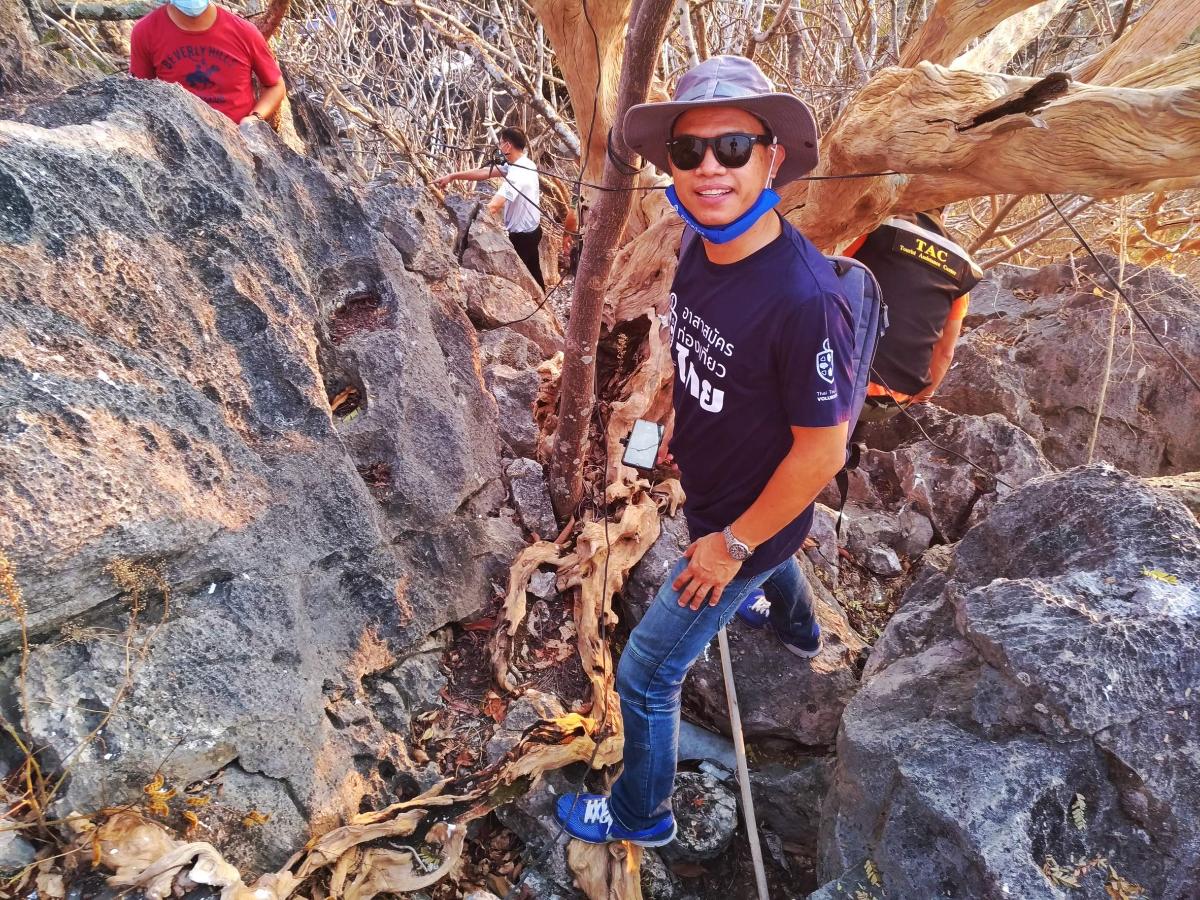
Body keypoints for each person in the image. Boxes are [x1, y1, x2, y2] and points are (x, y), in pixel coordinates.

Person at [553, 56, 854, 846]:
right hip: (728, 498)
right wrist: (664, 444)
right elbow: (693, 363)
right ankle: (799, 632)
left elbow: (823, 455)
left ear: (772, 157)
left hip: (744, 522)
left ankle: (639, 815)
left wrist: (729, 546)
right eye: (688, 152)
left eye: (733, 146)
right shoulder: (700, 248)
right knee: (779, 559)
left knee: (647, 675)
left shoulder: (805, 300)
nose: (709, 167)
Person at [843, 210, 982, 428]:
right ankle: (849, 442)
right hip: (891, 401)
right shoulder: (964, 268)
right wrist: (923, 395)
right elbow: (945, 351)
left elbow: (824, 269)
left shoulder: (877, 225)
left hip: (835, 379)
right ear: (943, 215)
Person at [130, 0, 285, 128]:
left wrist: (254, 119)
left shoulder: (244, 32)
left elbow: (275, 85)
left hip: (238, 142)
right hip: (179, 141)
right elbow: (141, 93)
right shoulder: (145, 31)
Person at [434, 127, 545, 290]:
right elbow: (486, 172)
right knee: (534, 275)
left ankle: (533, 310)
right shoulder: (524, 164)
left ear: (508, 146)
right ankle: (543, 304)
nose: (499, 147)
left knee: (518, 283)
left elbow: (494, 205)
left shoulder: (518, 175)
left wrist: (468, 229)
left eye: (501, 143)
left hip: (523, 238)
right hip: (532, 231)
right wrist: (453, 176)